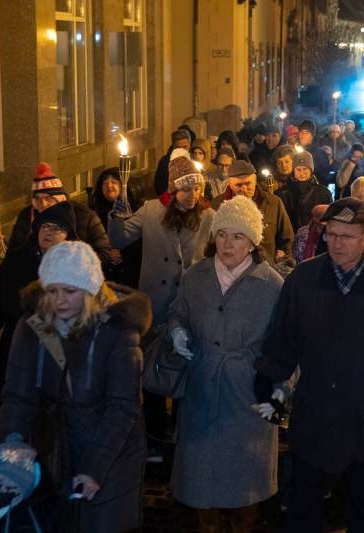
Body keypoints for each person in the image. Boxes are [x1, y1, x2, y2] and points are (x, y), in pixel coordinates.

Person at [255, 198, 364, 532]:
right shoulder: (304, 280)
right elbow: (284, 337)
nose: (336, 243)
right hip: (315, 413)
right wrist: (269, 375)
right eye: (331, 234)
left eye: (346, 236)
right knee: (304, 509)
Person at [0, 240, 151, 532]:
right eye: (52, 291)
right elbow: (18, 396)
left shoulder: (116, 331)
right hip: (51, 450)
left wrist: (94, 468)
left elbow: (122, 408)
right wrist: (9, 448)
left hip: (109, 455)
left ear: (90, 290)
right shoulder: (33, 327)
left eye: (70, 291)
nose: (60, 301)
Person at [167, 195, 287, 531]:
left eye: (238, 236)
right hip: (202, 390)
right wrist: (176, 332)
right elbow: (177, 313)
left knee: (244, 493)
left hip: (248, 395)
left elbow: (286, 346)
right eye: (222, 234)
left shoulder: (273, 285)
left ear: (252, 242)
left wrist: (279, 394)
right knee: (201, 489)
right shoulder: (196, 276)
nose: (228, 243)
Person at [109, 149, 215, 460]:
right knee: (153, 372)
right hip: (155, 305)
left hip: (191, 307)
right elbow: (120, 238)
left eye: (196, 188)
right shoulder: (151, 211)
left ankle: (182, 434)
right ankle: (155, 437)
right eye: (186, 189)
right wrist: (118, 211)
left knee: (186, 370)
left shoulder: (208, 216)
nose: (192, 195)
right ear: (173, 189)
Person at [0, 201, 78, 404]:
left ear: (68, 236)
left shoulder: (78, 266)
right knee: (15, 401)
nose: (48, 232)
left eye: (56, 228)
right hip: (17, 345)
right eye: (45, 226)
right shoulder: (17, 260)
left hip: (58, 351)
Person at [7, 162, 113, 265]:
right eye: (38, 199)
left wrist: (74, 263)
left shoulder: (85, 215)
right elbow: (13, 252)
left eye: (48, 198)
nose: (43, 204)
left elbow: (105, 252)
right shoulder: (26, 216)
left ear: (60, 199)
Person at [213, 160, 294, 267]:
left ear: (255, 181)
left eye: (248, 184)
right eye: (238, 185)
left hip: (265, 267)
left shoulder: (273, 203)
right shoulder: (217, 206)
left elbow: (287, 239)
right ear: (230, 184)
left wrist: (283, 262)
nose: (244, 189)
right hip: (229, 268)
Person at [89, 168, 143, 287]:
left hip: (131, 275)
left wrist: (124, 255)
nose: (109, 185)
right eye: (105, 183)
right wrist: (107, 255)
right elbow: (89, 244)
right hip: (104, 276)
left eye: (114, 182)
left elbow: (143, 242)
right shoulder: (92, 214)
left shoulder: (137, 210)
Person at [275, 151, 333, 231]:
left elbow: (328, 218)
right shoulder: (283, 193)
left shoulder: (323, 192)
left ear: (310, 170)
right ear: (294, 171)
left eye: (305, 169)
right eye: (298, 169)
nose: (302, 173)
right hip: (291, 234)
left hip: (314, 235)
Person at [155, 128, 192, 195]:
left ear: (190, 144)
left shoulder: (193, 160)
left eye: (185, 147)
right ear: (173, 146)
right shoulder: (165, 162)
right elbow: (159, 187)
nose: (182, 151)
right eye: (178, 147)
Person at [296, 120, 331, 185]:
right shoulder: (295, 151)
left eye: (306, 132)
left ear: (312, 135)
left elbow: (324, 178)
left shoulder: (321, 154)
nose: (302, 135)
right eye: (300, 132)